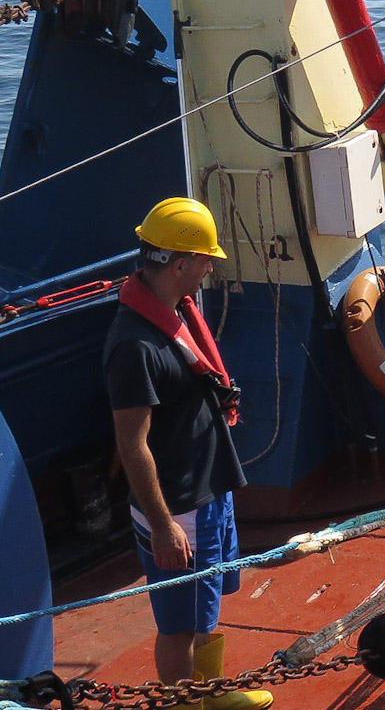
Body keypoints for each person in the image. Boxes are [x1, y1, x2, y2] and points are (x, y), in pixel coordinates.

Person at [103, 197, 272, 710]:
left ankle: (209, 693)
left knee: (206, 604)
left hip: (208, 490)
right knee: (178, 625)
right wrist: (161, 525)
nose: (210, 268)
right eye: (205, 259)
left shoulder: (174, 313)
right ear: (179, 264)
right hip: (177, 508)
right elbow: (132, 444)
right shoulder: (135, 346)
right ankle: (185, 704)